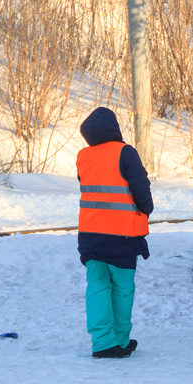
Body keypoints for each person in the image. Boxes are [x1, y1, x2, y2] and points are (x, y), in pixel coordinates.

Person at [76, 106, 153, 360]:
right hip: (122, 237)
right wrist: (147, 208)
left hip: (90, 235)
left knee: (97, 287)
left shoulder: (83, 156)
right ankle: (119, 339)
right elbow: (140, 188)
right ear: (114, 129)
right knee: (122, 289)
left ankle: (102, 343)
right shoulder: (125, 152)